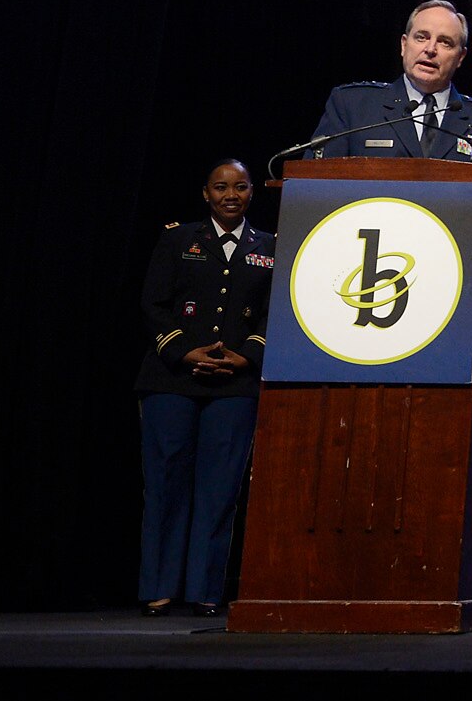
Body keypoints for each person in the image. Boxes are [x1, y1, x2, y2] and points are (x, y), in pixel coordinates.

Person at [134, 160, 276, 616]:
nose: (230, 194)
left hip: (234, 382)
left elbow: (278, 311)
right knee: (166, 483)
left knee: (219, 491)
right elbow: (153, 303)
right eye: (220, 187)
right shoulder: (178, 238)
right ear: (206, 193)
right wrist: (183, 352)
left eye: (239, 186)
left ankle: (204, 590)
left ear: (252, 192)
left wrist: (247, 355)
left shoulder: (271, 247)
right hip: (171, 377)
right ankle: (159, 587)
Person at [309, 0, 472, 226]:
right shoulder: (354, 106)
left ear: (461, 57)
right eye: (421, 37)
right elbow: (312, 187)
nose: (430, 49)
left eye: (445, 42)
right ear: (404, 44)